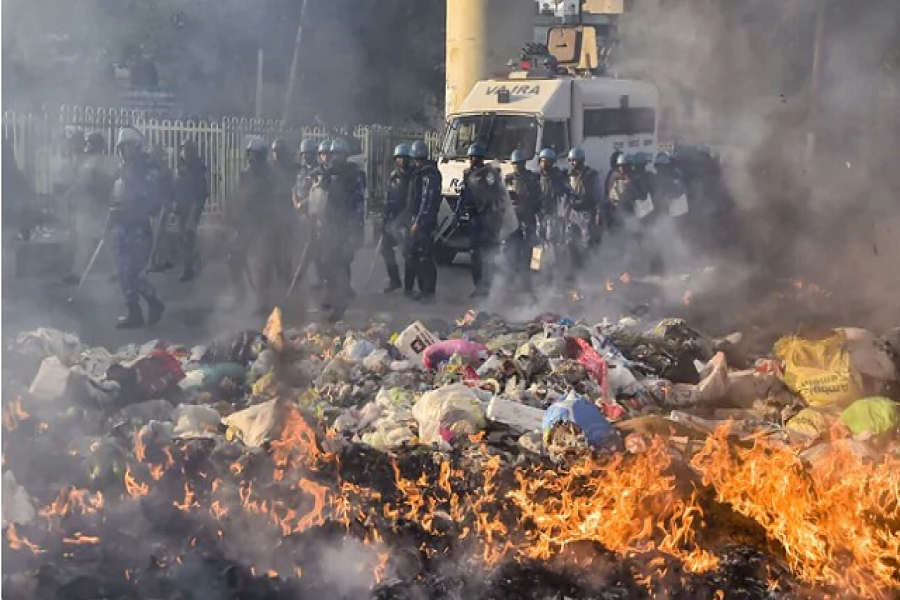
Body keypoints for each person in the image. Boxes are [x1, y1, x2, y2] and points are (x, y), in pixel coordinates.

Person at [108, 127, 165, 328]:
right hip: (123, 227)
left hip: (138, 228)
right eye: (123, 148)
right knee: (124, 273)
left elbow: (150, 202)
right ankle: (134, 313)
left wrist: (128, 207)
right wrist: (112, 216)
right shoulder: (122, 172)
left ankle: (154, 302)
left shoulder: (147, 171)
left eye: (129, 147)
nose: (126, 152)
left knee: (136, 274)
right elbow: (116, 198)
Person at [309, 137, 366, 321]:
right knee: (326, 265)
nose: (336, 158)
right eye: (334, 154)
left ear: (346, 156)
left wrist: (354, 233)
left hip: (345, 228)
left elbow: (358, 206)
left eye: (340, 154)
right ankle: (335, 297)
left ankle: (340, 306)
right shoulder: (329, 173)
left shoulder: (353, 176)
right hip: (328, 228)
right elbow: (320, 196)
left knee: (340, 267)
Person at [224, 137, 279, 315]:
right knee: (233, 258)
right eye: (249, 154)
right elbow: (238, 197)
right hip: (246, 224)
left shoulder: (270, 176)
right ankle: (239, 295)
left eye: (254, 154)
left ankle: (263, 301)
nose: (250, 158)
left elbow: (273, 202)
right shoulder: (245, 174)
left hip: (264, 224)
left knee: (262, 264)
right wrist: (233, 216)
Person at [63, 132, 116, 284]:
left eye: (90, 144)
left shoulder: (102, 163)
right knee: (87, 243)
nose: (87, 147)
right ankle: (78, 273)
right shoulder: (89, 162)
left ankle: (114, 271)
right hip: (88, 208)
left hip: (98, 208)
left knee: (103, 243)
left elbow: (102, 185)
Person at [458, 142, 503, 298]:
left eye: (476, 157)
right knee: (475, 254)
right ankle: (478, 286)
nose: (473, 160)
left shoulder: (489, 174)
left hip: (488, 218)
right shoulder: (467, 174)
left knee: (488, 254)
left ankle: (488, 287)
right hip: (474, 218)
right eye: (471, 157)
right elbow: (464, 195)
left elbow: (496, 194)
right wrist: (459, 211)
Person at [405, 140, 441, 303]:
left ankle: (429, 292)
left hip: (425, 222)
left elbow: (428, 200)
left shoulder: (429, 175)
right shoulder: (419, 173)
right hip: (417, 219)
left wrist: (418, 222)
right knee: (416, 256)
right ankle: (422, 290)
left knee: (425, 258)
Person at [504, 149, 541, 291]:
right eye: (514, 164)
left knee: (530, 252)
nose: (516, 166)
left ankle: (529, 283)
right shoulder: (508, 179)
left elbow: (537, 198)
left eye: (519, 163)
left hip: (528, 218)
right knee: (511, 251)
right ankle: (511, 283)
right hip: (513, 220)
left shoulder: (531, 179)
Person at [536, 148, 574, 283]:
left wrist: (564, 213)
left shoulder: (558, 178)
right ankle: (539, 274)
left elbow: (569, 194)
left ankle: (555, 274)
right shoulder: (536, 177)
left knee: (553, 244)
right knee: (538, 245)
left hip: (553, 216)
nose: (545, 164)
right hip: (539, 216)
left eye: (548, 162)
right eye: (543, 161)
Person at [172, 139, 208, 281]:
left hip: (193, 206)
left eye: (188, 150)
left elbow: (200, 193)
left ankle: (189, 268)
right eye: (184, 150)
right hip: (182, 205)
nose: (185, 152)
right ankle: (197, 260)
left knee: (188, 236)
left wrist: (193, 214)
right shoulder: (181, 166)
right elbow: (176, 184)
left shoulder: (198, 168)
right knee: (182, 237)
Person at [381, 143, 412, 293]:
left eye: (405, 158)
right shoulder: (394, 176)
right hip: (394, 219)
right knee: (385, 248)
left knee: (407, 252)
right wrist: (385, 218)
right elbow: (388, 198)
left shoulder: (414, 176)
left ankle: (409, 286)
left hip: (407, 218)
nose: (402, 161)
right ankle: (394, 280)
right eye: (399, 158)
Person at [566, 147, 603, 274]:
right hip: (573, 212)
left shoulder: (591, 175)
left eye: (574, 161)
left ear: (581, 160)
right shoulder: (569, 175)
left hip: (586, 212)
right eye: (570, 161)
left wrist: (598, 212)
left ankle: (589, 269)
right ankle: (574, 269)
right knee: (571, 240)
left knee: (586, 242)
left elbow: (598, 195)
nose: (572, 163)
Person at [270, 138, 298, 283]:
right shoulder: (271, 169)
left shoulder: (291, 168)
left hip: (288, 211)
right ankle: (279, 274)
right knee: (274, 247)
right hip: (273, 213)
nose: (276, 155)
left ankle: (286, 275)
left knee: (286, 247)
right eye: (275, 152)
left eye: (279, 152)